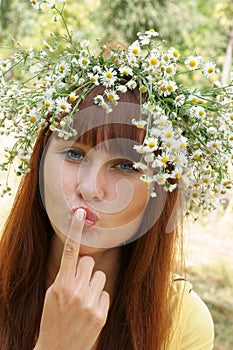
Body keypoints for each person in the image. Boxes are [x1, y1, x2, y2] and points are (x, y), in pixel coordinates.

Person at [1, 3, 232, 349]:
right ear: (39, 162)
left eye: (126, 165)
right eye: (75, 154)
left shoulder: (182, 322)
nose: (90, 188)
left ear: (161, 188)